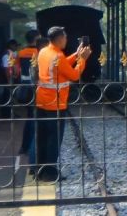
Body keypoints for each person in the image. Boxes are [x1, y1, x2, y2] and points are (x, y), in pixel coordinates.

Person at [35, 26, 91, 181]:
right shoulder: (58, 56)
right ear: (60, 39)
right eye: (65, 37)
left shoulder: (44, 52)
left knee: (43, 137)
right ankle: (51, 172)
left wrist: (76, 55)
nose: (67, 40)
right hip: (56, 103)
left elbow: (62, 66)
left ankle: (39, 170)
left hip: (42, 101)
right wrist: (82, 60)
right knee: (54, 139)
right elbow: (72, 74)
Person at [16, 31, 42, 159]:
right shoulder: (39, 53)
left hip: (24, 87)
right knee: (35, 117)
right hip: (35, 87)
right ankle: (32, 147)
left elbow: (16, 71)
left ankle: (24, 146)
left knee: (30, 116)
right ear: (37, 39)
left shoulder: (20, 53)